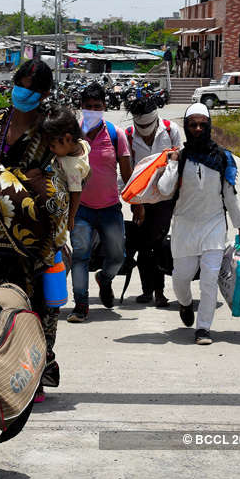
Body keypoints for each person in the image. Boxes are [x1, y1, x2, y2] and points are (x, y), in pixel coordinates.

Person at [0, 59, 68, 403]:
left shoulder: (49, 129)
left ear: (45, 94)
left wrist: (45, 198)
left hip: (32, 237)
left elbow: (61, 182)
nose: (24, 93)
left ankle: (33, 376)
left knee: (32, 308)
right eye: (20, 84)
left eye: (33, 89)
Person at [158, 102, 240, 345]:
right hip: (185, 227)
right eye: (193, 124)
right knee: (181, 278)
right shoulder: (180, 157)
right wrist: (172, 162)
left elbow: (230, 196)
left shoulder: (222, 157)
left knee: (210, 279)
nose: (198, 128)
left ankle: (203, 328)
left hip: (214, 225)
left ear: (209, 125)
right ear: (187, 127)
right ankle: (186, 304)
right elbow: (164, 189)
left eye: (203, 124)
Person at [67, 82, 138, 323]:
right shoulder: (72, 135)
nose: (92, 110)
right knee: (80, 256)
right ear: (81, 107)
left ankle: (105, 280)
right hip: (80, 209)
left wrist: (137, 203)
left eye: (97, 106)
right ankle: (81, 305)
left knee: (118, 256)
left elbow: (128, 174)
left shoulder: (116, 134)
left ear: (104, 107)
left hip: (110, 207)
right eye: (88, 106)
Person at [124, 96, 184, 306]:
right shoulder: (129, 136)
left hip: (165, 199)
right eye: (139, 125)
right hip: (140, 200)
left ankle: (159, 291)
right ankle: (147, 290)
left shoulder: (170, 130)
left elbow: (179, 165)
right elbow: (128, 173)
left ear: (156, 119)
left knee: (157, 243)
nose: (144, 129)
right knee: (143, 245)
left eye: (148, 125)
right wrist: (136, 204)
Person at [41, 106, 91, 232]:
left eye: (53, 146)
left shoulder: (72, 167)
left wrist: (71, 218)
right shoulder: (82, 144)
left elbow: (76, 193)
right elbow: (87, 148)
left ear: (68, 139)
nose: (51, 150)